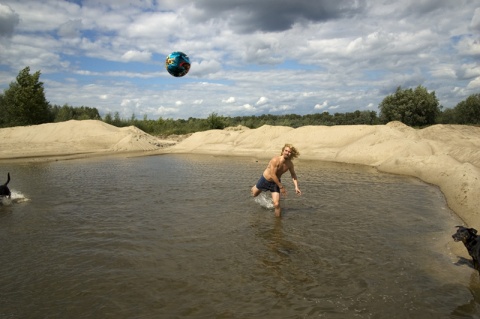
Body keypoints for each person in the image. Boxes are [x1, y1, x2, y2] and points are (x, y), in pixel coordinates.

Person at [251, 144, 301, 217]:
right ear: (283, 151)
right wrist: (281, 187)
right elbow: (272, 174)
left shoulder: (290, 164)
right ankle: (254, 187)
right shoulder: (275, 160)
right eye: (286, 151)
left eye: (289, 152)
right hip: (265, 179)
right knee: (254, 195)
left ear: (291, 154)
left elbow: (293, 175)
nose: (287, 153)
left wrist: (296, 187)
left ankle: (278, 224)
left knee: (277, 204)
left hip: (275, 183)